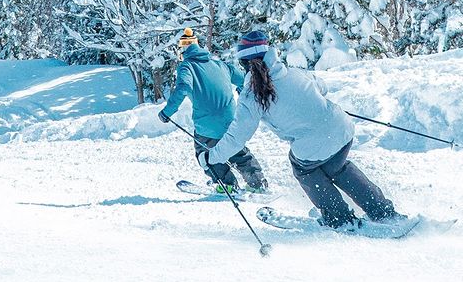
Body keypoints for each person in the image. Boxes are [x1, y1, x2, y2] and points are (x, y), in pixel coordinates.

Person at [205, 29, 404, 230]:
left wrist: (212, 157)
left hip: (314, 143)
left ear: (244, 63)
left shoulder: (251, 96)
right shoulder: (294, 73)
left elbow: (237, 137)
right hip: (341, 129)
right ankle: (383, 211)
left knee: (303, 168)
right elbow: (322, 87)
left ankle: (340, 218)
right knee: (336, 167)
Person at [159, 28, 268, 195]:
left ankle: (227, 184)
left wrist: (167, 111)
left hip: (206, 124)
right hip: (230, 120)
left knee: (205, 154)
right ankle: (257, 182)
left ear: (182, 50)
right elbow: (245, 80)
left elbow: (183, 87)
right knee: (236, 150)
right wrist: (243, 93)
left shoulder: (186, 66)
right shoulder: (220, 65)